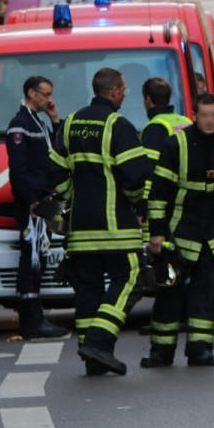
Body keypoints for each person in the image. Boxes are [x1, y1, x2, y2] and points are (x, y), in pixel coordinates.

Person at [142, 92, 214, 368]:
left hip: (212, 228)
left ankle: (200, 350)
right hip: (178, 229)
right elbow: (158, 193)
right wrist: (156, 233)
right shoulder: (176, 144)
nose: (209, 121)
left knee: (206, 292)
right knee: (169, 290)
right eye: (204, 115)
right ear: (194, 116)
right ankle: (161, 352)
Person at [49, 68, 148, 375]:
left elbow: (54, 173)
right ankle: (99, 341)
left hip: (80, 228)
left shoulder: (70, 124)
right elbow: (133, 179)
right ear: (115, 91)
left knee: (88, 289)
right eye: (124, 90)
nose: (124, 95)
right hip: (115, 226)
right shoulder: (119, 125)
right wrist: (137, 203)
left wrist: (74, 195)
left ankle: (94, 360)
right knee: (132, 277)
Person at [5, 76, 68, 340]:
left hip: (43, 200)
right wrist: (32, 201)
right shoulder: (20, 124)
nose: (49, 99)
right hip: (34, 203)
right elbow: (18, 171)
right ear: (31, 93)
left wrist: (55, 119)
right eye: (45, 94)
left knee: (38, 257)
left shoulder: (37, 122)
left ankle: (34, 317)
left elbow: (56, 152)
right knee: (31, 259)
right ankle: (31, 321)